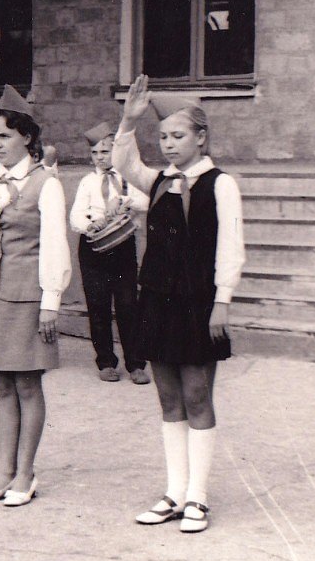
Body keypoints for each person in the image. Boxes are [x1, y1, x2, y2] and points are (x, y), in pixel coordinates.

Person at [112, 76, 245, 534]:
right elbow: (123, 161)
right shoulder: (158, 182)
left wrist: (222, 301)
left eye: (178, 136)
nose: (168, 145)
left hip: (198, 302)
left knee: (197, 395)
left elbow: (231, 246)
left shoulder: (220, 184)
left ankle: (198, 497)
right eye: (163, 137)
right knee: (168, 398)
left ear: (201, 137)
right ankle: (175, 491)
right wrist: (129, 120)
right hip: (158, 301)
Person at [0, 85, 71, 508]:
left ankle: (26, 473)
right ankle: (4, 471)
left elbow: (55, 245)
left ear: (26, 137)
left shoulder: (46, 183)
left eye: (5, 136)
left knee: (27, 383)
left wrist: (51, 303)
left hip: (29, 297)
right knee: (2, 386)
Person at [69, 121, 151, 384]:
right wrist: (90, 224)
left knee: (128, 306)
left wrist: (124, 201)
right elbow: (75, 216)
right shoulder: (88, 182)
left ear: (115, 151)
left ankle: (135, 364)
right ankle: (105, 362)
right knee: (98, 306)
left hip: (122, 246)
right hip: (93, 247)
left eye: (104, 151)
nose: (99, 157)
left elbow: (145, 201)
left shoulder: (127, 177)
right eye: (95, 153)